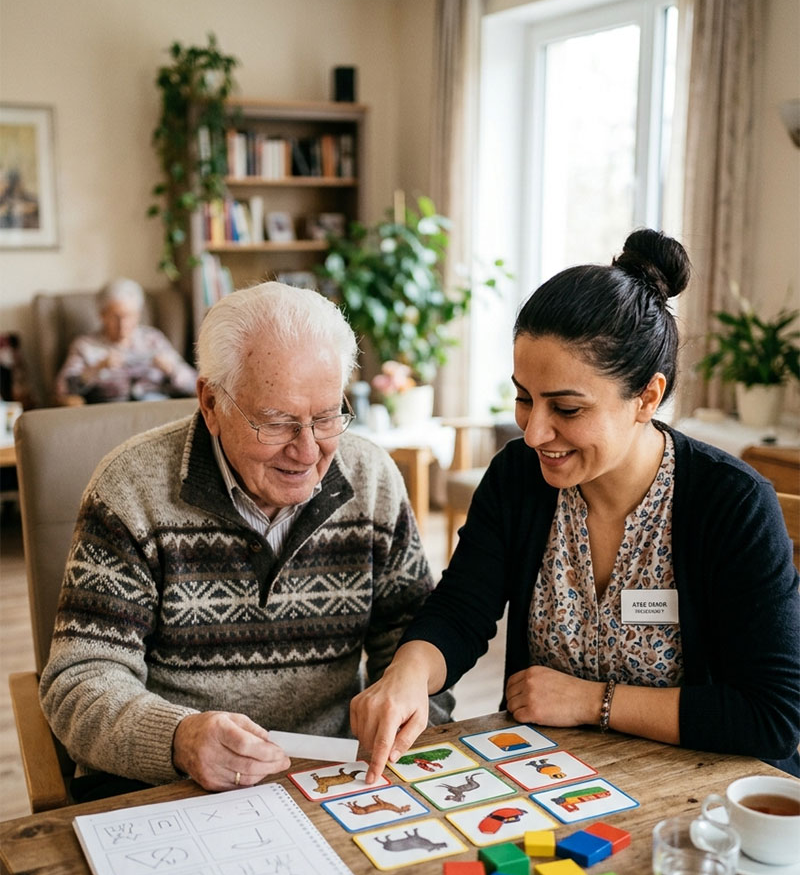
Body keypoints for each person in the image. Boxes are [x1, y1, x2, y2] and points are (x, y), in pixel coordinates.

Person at [352, 229, 800, 782]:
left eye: (566, 407)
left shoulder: (731, 503)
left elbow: (773, 715)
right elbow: (461, 611)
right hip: (552, 779)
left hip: (699, 791)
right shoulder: (518, 478)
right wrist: (408, 673)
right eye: (523, 398)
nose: (535, 432)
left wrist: (595, 702)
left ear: (647, 397)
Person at [40, 282, 452, 797]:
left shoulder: (372, 480)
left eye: (326, 417)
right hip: (171, 787)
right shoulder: (130, 489)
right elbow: (79, 682)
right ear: (211, 403)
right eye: (277, 423)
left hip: (330, 778)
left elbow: (416, 643)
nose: (307, 452)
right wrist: (178, 740)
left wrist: (411, 718)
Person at [54, 278, 197, 405]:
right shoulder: (85, 345)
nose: (123, 324)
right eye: (115, 317)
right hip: (110, 413)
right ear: (102, 315)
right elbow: (62, 389)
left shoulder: (153, 339)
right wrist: (95, 369)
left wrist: (171, 370)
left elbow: (194, 384)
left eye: (129, 316)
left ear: (138, 315)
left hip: (155, 409)